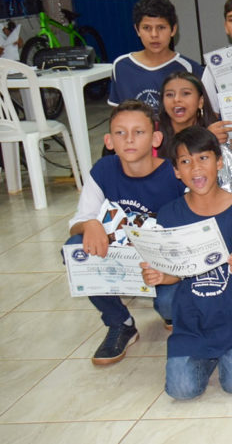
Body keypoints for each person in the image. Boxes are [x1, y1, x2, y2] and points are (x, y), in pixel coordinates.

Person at [147, 126, 232, 399]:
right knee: (181, 390)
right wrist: (161, 277)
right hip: (193, 321)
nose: (196, 169)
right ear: (176, 170)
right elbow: (175, 271)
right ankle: (208, 356)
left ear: (219, 161)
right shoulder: (169, 215)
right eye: (185, 162)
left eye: (203, 158)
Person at [64, 101, 184, 365]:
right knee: (75, 247)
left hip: (166, 264)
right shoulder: (103, 170)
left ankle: (173, 313)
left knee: (169, 305)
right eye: (120, 133)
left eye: (138, 132)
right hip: (123, 260)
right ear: (109, 140)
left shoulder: (174, 174)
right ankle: (120, 323)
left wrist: (170, 273)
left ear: (156, 138)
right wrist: (90, 225)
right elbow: (77, 222)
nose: (129, 139)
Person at [109, 0, 203, 112]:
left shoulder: (190, 68)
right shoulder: (121, 66)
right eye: (147, 28)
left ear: (173, 30)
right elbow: (117, 113)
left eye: (161, 27)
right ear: (137, 30)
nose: (154, 35)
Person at [156, 72, 232, 162]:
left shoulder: (215, 132)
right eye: (170, 94)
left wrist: (211, 140)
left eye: (185, 93)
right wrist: (203, 141)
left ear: (200, 101)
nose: (176, 99)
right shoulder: (152, 132)